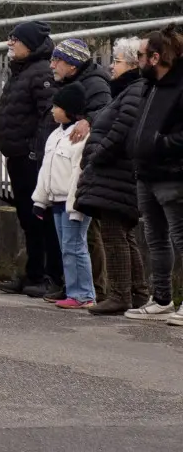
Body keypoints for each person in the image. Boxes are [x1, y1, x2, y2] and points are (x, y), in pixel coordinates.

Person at [74, 38, 149, 315]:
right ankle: (138, 291)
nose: (111, 66)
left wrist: (96, 154)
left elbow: (120, 130)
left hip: (115, 174)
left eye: (116, 61)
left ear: (132, 63)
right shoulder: (126, 90)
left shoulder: (133, 90)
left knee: (115, 235)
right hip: (114, 175)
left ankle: (120, 294)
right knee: (122, 235)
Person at [37, 38, 112, 303]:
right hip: (59, 177)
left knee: (83, 239)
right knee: (68, 242)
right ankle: (72, 287)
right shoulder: (68, 85)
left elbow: (106, 111)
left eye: (57, 60)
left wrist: (88, 121)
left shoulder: (95, 83)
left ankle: (92, 290)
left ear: (72, 64)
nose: (52, 64)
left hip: (80, 174)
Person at [0, 21, 61, 298]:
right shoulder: (21, 71)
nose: (10, 43)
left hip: (31, 159)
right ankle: (33, 272)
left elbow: (48, 116)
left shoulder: (41, 72)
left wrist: (35, 151)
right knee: (27, 217)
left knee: (40, 219)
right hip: (18, 157)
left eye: (16, 39)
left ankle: (46, 275)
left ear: (30, 44)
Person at [125, 26, 183, 323]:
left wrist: (160, 143)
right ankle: (162, 299)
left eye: (141, 55)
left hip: (172, 174)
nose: (137, 61)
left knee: (180, 238)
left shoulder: (179, 86)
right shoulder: (150, 85)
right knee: (155, 239)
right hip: (146, 173)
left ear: (156, 57)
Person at [33, 82, 95, 308]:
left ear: (68, 109)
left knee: (75, 246)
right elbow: (45, 170)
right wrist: (40, 200)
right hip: (56, 201)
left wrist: (76, 205)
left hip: (72, 203)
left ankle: (84, 294)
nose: (52, 110)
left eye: (56, 106)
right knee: (65, 248)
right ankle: (73, 290)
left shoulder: (79, 137)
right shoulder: (54, 135)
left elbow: (78, 173)